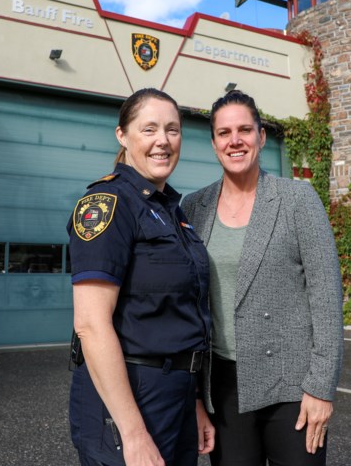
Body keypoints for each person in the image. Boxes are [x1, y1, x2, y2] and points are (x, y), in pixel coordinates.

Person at [180, 90, 344, 466]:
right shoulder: (194, 207)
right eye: (224, 133)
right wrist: (193, 397)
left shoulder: (297, 199)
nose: (234, 140)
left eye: (244, 130)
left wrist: (321, 389)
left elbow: (326, 297)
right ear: (213, 142)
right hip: (221, 387)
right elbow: (189, 304)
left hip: (292, 388)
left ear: (261, 136)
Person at [68, 88, 214, 466]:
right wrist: (132, 433)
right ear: (123, 135)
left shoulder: (172, 213)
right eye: (149, 129)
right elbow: (90, 325)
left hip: (176, 396)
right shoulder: (108, 204)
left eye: (172, 130)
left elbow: (181, 316)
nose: (162, 141)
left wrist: (193, 400)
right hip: (131, 394)